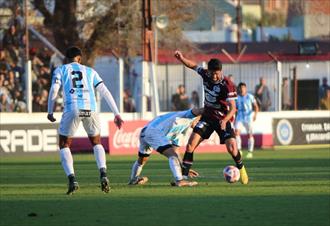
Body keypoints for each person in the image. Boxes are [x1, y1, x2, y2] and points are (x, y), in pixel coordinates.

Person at [47, 46, 124, 195]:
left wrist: (50, 111)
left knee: (64, 144)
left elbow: (54, 90)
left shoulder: (61, 70)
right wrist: (117, 113)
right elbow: (105, 91)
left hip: (73, 108)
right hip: (91, 109)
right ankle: (103, 174)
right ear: (80, 59)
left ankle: (72, 179)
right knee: (96, 142)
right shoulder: (90, 71)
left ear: (66, 59)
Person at [174, 50, 249, 185]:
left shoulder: (228, 85)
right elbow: (192, 65)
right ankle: (183, 178)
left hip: (222, 119)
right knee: (190, 145)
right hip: (207, 118)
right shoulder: (205, 74)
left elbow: (233, 108)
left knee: (232, 148)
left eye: (217, 73)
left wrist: (225, 120)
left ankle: (241, 167)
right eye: (212, 73)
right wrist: (182, 58)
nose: (214, 76)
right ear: (208, 71)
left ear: (221, 71)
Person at [129, 108, 203, 187]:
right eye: (199, 122)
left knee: (142, 160)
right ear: (197, 118)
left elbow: (176, 150)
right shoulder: (187, 115)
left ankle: (133, 180)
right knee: (172, 155)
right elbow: (199, 110)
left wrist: (184, 168)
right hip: (153, 131)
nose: (199, 126)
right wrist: (212, 108)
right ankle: (179, 181)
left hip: (145, 132)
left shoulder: (184, 131)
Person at [235, 82, 259, 159]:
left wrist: (255, 115)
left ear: (245, 89)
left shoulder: (250, 96)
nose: (242, 89)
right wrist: (234, 117)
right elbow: (235, 108)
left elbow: (256, 106)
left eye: (243, 88)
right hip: (239, 118)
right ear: (239, 89)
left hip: (248, 118)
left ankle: (250, 152)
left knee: (249, 135)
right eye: (240, 88)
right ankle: (239, 150)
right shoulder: (237, 98)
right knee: (236, 133)